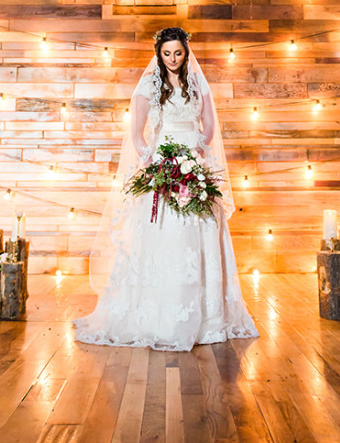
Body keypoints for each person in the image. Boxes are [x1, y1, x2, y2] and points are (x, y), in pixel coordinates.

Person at [73, 26, 259, 352]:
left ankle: (208, 317)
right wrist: (156, 165)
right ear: (159, 54)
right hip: (163, 164)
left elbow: (211, 126)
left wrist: (195, 156)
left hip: (191, 160)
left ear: (186, 53)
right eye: (167, 53)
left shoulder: (197, 82)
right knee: (162, 234)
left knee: (200, 230)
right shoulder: (149, 84)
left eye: (178, 53)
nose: (173, 59)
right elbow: (136, 134)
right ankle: (158, 314)